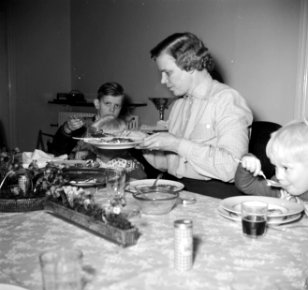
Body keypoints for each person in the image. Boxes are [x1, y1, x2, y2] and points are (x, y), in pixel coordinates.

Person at [141, 32, 253, 198]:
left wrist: (178, 144)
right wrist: (142, 142)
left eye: (168, 73)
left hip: (214, 196)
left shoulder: (226, 100)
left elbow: (232, 167)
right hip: (178, 190)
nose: (163, 81)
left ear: (190, 66)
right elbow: (169, 165)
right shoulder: (179, 104)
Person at [235, 120, 308, 203]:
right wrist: (247, 165)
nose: (278, 175)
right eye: (275, 166)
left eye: (285, 168)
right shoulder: (280, 189)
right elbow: (247, 185)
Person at [51, 82, 129, 156]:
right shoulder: (82, 127)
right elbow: (56, 152)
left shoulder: (123, 131)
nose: (112, 109)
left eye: (117, 106)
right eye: (108, 103)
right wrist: (67, 129)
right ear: (97, 104)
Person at [78, 115, 147, 180]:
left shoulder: (128, 163)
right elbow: (83, 175)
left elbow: (140, 180)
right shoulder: (92, 158)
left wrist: (130, 174)